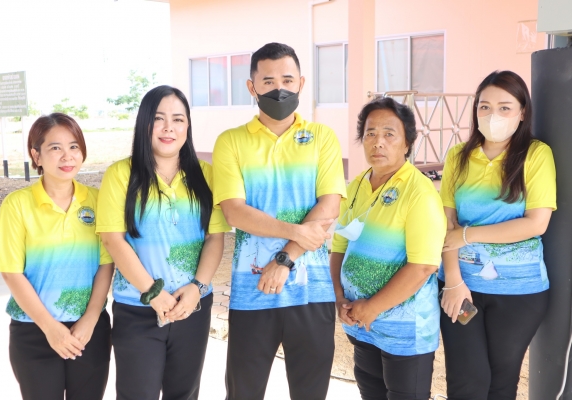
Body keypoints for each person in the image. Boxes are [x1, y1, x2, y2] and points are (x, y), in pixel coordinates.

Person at [212, 42, 346, 400]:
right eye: (268, 81)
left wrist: (284, 259)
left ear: (301, 83)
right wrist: (296, 231)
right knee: (243, 392)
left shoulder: (322, 138)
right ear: (251, 87)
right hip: (252, 290)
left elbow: (329, 205)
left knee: (310, 392)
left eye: (287, 80)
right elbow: (234, 211)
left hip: (312, 289)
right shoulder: (230, 142)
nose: (279, 89)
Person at [96, 85, 229, 400]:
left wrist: (197, 287)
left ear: (187, 126)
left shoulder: (207, 175)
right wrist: (153, 293)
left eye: (178, 119)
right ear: (144, 123)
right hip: (137, 308)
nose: (169, 127)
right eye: (159, 118)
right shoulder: (121, 175)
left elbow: (215, 237)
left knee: (185, 393)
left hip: (192, 306)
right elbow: (114, 241)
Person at [439, 70, 556, 399]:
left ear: (522, 112)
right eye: (485, 107)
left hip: (519, 293)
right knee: (465, 381)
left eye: (505, 107)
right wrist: (453, 281)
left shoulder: (536, 154)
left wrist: (468, 235)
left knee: (502, 384)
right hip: (462, 288)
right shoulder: (458, 157)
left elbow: (536, 223)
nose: (493, 115)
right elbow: (447, 226)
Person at [330, 97, 446, 400]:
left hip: (404, 332)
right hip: (361, 325)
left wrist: (372, 307)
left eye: (389, 134)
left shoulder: (419, 192)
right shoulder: (356, 185)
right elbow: (339, 247)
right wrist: (339, 297)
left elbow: (423, 266)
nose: (377, 142)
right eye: (370, 133)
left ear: (407, 143)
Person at [0, 113, 114, 400]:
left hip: (89, 331)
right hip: (34, 331)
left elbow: (106, 263)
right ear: (36, 155)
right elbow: (11, 272)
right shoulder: (17, 205)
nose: (67, 156)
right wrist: (50, 329)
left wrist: (91, 319)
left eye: (74, 147)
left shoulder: (98, 200)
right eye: (55, 148)